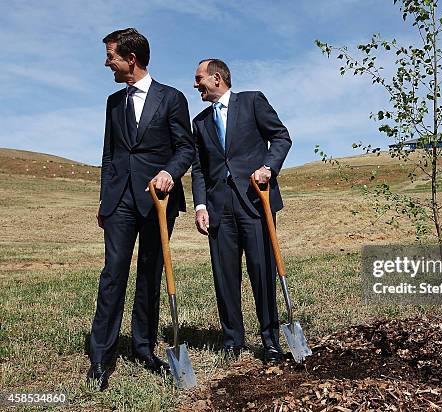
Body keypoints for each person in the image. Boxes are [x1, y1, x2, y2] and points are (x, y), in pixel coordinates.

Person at [88, 28, 194, 390]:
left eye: (111, 56)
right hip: (119, 202)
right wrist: (105, 201)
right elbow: (109, 155)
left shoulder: (172, 98)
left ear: (130, 59)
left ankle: (144, 348)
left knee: (150, 273)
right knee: (113, 274)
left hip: (157, 200)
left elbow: (186, 148)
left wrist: (169, 172)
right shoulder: (113, 103)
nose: (107, 63)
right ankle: (101, 356)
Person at [190, 59, 292, 363]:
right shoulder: (200, 122)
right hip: (219, 209)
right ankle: (233, 340)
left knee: (262, 272)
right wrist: (200, 205)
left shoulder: (252, 102)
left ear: (217, 78)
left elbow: (282, 137)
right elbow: (199, 168)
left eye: (199, 79)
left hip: (255, 202)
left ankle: (270, 340)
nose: (195, 85)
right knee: (225, 276)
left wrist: (268, 167)